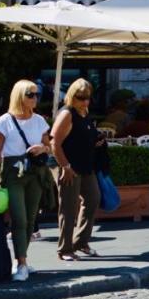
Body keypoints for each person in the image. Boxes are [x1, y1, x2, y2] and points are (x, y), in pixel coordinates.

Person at [0, 80, 51, 282]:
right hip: (13, 173)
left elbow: (49, 147)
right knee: (19, 218)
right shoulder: (4, 121)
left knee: (31, 220)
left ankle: (22, 259)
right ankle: (21, 263)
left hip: (35, 173)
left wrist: (42, 149)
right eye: (30, 94)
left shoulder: (40, 121)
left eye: (37, 95)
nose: (35, 98)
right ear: (19, 96)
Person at [51, 79, 102, 262]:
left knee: (93, 198)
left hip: (85, 165)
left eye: (88, 97)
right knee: (68, 207)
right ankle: (64, 249)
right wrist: (65, 166)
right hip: (69, 166)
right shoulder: (67, 113)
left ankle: (80, 242)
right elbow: (54, 143)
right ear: (73, 95)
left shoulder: (84, 112)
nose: (85, 101)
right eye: (81, 97)